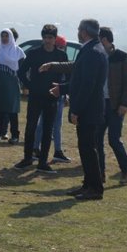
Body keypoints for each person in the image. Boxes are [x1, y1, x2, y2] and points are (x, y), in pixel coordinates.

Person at [55, 19, 108, 201]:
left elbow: (87, 85)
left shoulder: (93, 52)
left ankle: (95, 188)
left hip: (89, 109)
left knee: (88, 148)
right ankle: (88, 184)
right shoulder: (92, 48)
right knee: (85, 148)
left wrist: (76, 109)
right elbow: (80, 80)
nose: (78, 32)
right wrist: (62, 88)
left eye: (79, 29)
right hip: (89, 108)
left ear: (85, 32)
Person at [14, 25, 67, 173]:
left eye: (51, 38)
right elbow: (22, 72)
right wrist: (30, 85)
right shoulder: (34, 53)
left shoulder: (61, 56)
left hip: (52, 96)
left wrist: (62, 90)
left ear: (55, 39)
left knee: (48, 129)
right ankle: (27, 158)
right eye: (45, 37)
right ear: (42, 38)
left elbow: (68, 75)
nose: (48, 40)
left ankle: (43, 161)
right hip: (36, 96)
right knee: (30, 126)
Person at [97, 27, 127, 184]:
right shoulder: (97, 56)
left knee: (114, 139)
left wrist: (124, 104)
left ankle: (126, 169)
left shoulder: (122, 57)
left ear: (104, 40)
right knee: (96, 139)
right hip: (99, 104)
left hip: (115, 105)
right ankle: (100, 173)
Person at [34, 35, 71, 163]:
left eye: (63, 47)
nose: (62, 49)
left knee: (55, 123)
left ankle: (55, 150)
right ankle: (40, 149)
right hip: (51, 94)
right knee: (46, 122)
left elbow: (66, 78)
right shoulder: (52, 58)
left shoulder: (61, 57)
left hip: (59, 95)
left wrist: (65, 94)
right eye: (60, 46)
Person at [0, 28, 25, 144]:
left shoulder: (18, 51)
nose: (4, 38)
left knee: (13, 111)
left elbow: (23, 69)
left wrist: (24, 84)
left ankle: (15, 135)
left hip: (12, 84)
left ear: (11, 37)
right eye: (2, 36)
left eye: (7, 36)